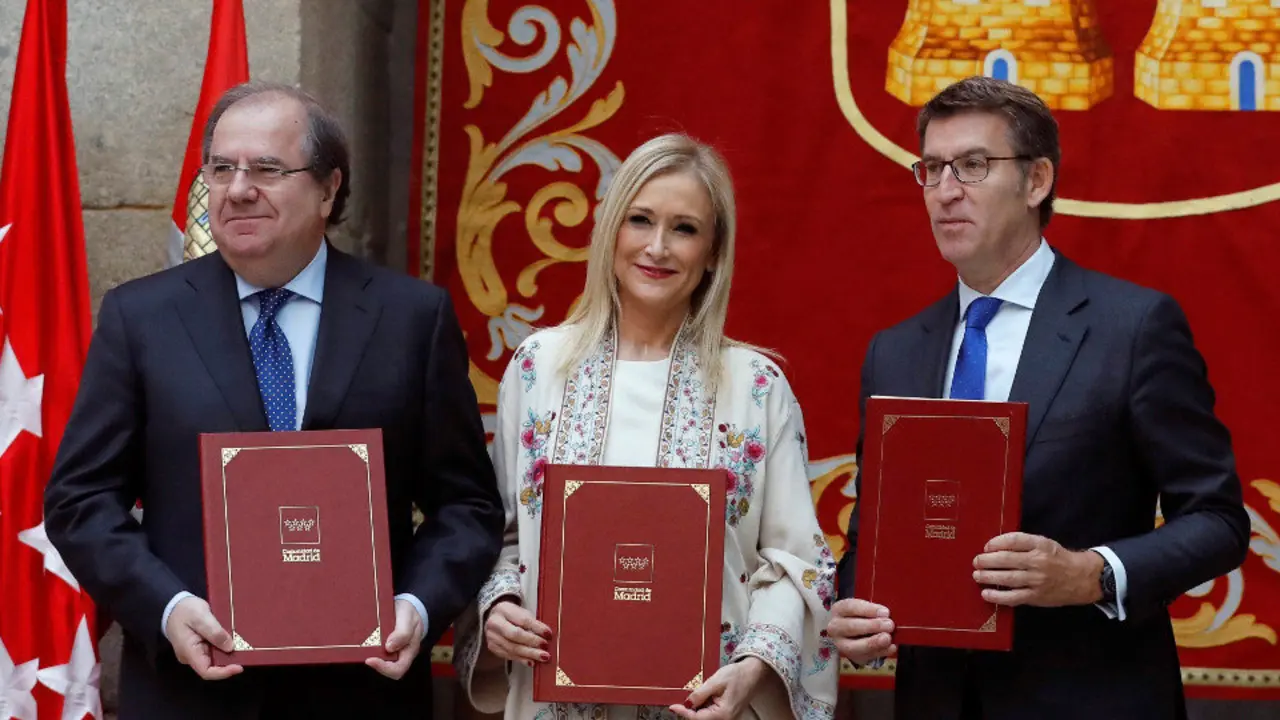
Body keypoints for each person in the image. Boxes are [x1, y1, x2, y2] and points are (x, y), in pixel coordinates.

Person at [43, 81, 504, 719]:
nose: (236, 189)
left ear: (328, 188)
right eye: (222, 168)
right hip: (193, 693)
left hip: (362, 695)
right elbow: (81, 500)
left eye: (267, 168)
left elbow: (467, 503)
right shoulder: (141, 317)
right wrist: (168, 609)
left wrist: (418, 607)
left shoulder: (410, 318)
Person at [827, 75, 1250, 719]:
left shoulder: (1132, 327)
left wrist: (1091, 574)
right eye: (932, 168)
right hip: (934, 700)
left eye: (972, 165)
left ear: (1036, 181)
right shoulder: (897, 350)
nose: (945, 191)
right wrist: (857, 609)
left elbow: (1219, 522)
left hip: (1090, 697)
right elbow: (874, 536)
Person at [451, 133, 839, 720]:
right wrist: (498, 606)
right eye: (640, 220)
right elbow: (500, 537)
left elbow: (796, 563)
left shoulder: (756, 386)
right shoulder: (537, 370)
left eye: (684, 228)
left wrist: (751, 669)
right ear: (610, 232)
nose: (657, 247)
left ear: (713, 252)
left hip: (710, 707)